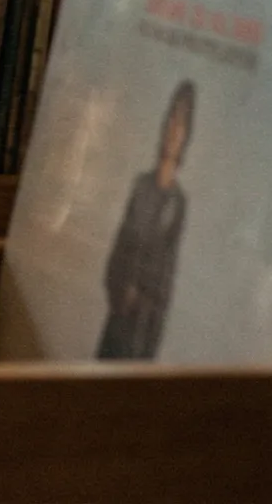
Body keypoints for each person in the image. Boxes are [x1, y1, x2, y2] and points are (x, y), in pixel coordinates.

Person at [97, 78, 194, 361]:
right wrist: (121, 291)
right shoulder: (141, 186)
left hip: (146, 330)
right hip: (119, 319)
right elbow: (119, 248)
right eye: (172, 119)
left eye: (182, 123)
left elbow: (167, 274)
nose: (174, 130)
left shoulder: (179, 203)